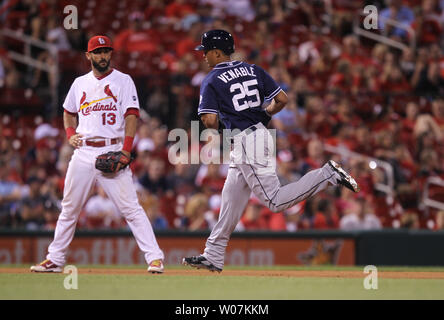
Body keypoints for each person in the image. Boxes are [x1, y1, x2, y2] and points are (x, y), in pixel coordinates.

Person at [182, 29, 360, 272]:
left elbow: (210, 121)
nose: (204, 56)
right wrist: (263, 115)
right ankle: (213, 254)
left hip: (246, 142)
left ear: (216, 52)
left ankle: (327, 175)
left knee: (274, 201)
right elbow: (283, 100)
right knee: (231, 200)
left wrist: (226, 120)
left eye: (206, 52)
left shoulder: (212, 80)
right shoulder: (254, 69)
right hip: (257, 136)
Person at [30, 35, 164, 273]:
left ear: (110, 54)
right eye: (98, 52)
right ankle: (55, 258)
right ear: (88, 55)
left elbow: (131, 115)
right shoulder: (79, 83)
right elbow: (68, 112)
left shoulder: (123, 80)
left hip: (112, 148)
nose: (103, 56)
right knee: (69, 207)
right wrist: (70, 133)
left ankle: (154, 258)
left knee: (131, 209)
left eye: (106, 51)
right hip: (83, 152)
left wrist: (126, 150)